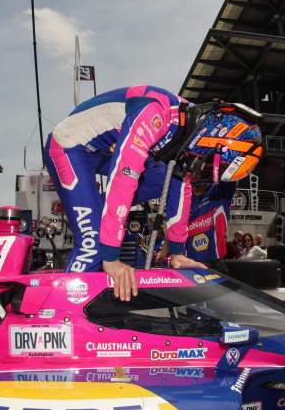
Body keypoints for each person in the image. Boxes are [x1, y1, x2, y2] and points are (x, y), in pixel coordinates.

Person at [44, 85, 263, 300]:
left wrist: (177, 252)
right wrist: (111, 257)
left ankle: (94, 210)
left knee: (173, 176)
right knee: (93, 246)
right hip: (70, 148)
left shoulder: (189, 132)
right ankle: (59, 313)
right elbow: (124, 175)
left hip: (106, 152)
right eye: (213, 165)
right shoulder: (156, 112)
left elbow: (180, 187)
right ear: (213, 142)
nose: (205, 171)